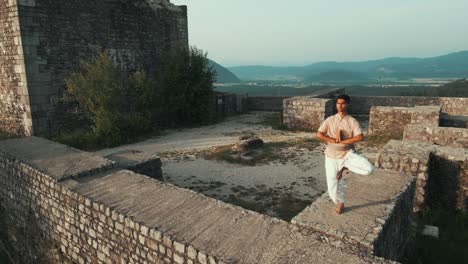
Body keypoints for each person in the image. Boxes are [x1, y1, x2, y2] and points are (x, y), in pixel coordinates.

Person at [316, 94, 374, 214]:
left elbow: (360, 137)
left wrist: (343, 141)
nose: (340, 106)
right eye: (338, 103)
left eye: (342, 103)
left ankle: (346, 166)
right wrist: (332, 140)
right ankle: (340, 202)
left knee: (369, 169)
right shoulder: (330, 120)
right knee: (332, 183)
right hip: (331, 156)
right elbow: (319, 134)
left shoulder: (352, 121)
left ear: (347, 104)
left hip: (347, 154)